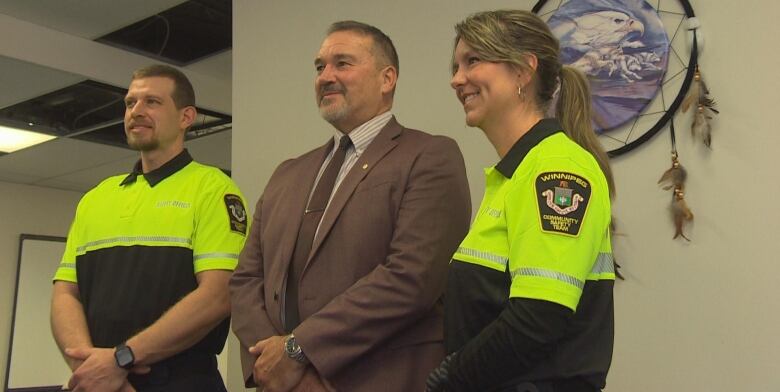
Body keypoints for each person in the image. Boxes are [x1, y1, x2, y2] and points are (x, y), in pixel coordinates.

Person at [229, 20, 471, 392]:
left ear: (387, 78)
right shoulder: (288, 173)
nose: (325, 76)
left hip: (381, 378)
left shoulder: (428, 155)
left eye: (342, 63)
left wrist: (299, 350)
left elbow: (412, 277)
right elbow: (246, 279)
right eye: (319, 66)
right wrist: (274, 364)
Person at [426, 10, 616, 392]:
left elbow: (539, 316)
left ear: (523, 71)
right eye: (455, 65)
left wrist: (453, 376)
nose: (456, 79)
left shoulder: (557, 169)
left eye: (473, 60)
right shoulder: (516, 174)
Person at [51, 64, 248, 392]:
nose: (136, 112)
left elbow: (218, 294)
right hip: (97, 381)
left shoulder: (213, 189)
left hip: (180, 380)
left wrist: (121, 360)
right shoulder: (96, 198)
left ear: (186, 117)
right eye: (130, 103)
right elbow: (65, 292)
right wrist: (91, 369)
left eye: (152, 102)